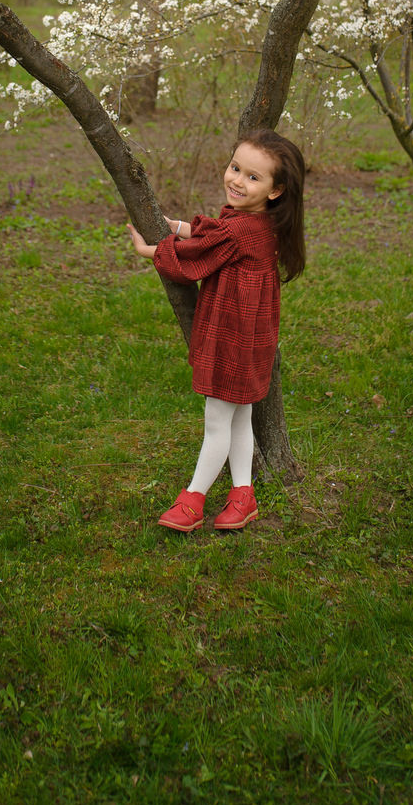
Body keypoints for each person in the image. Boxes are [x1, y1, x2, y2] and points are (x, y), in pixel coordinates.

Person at [126, 129, 306, 533]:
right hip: (252, 339)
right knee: (240, 418)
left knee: (217, 424)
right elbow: (215, 236)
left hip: (231, 340)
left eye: (253, 177)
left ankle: (193, 499)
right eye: (235, 167)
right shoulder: (261, 224)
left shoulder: (241, 230)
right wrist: (177, 226)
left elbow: (197, 256)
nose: (237, 180)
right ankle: (243, 495)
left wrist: (151, 250)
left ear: (276, 190)